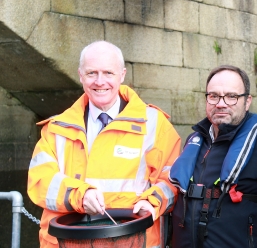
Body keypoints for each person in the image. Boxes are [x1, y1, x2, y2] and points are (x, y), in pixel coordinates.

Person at [27, 41, 181, 248]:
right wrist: (80, 196)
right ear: (81, 76)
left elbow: (171, 179)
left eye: (108, 73)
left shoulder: (155, 124)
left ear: (122, 75)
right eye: (92, 73)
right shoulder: (56, 128)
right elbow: (39, 181)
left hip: (131, 241)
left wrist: (152, 202)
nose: (100, 82)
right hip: (67, 243)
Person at [169, 65, 257, 248]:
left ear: (247, 102)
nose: (220, 103)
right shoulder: (194, 142)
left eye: (232, 96)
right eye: (213, 96)